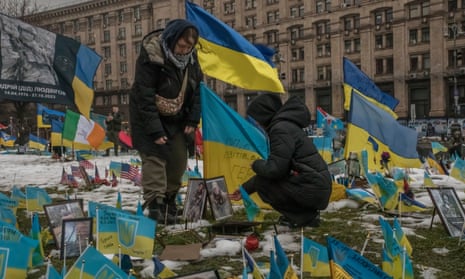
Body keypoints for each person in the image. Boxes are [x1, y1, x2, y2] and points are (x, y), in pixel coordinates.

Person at [129, 19, 202, 224]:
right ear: (171, 40)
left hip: (176, 117)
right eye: (181, 46)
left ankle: (170, 201)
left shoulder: (192, 60)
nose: (184, 51)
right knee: (155, 159)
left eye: (189, 47)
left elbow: (198, 91)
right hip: (147, 117)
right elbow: (144, 96)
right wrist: (154, 130)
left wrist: (193, 119)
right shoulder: (151, 57)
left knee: (178, 159)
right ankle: (155, 206)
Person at [230, 94, 332, 228]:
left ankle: (304, 218)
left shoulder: (280, 129)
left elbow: (275, 170)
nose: (256, 123)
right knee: (266, 182)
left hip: (313, 188)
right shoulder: (286, 126)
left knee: (264, 185)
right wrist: (245, 189)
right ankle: (305, 216)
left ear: (263, 115)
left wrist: (256, 164)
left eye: (256, 119)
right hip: (316, 187)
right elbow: (280, 169)